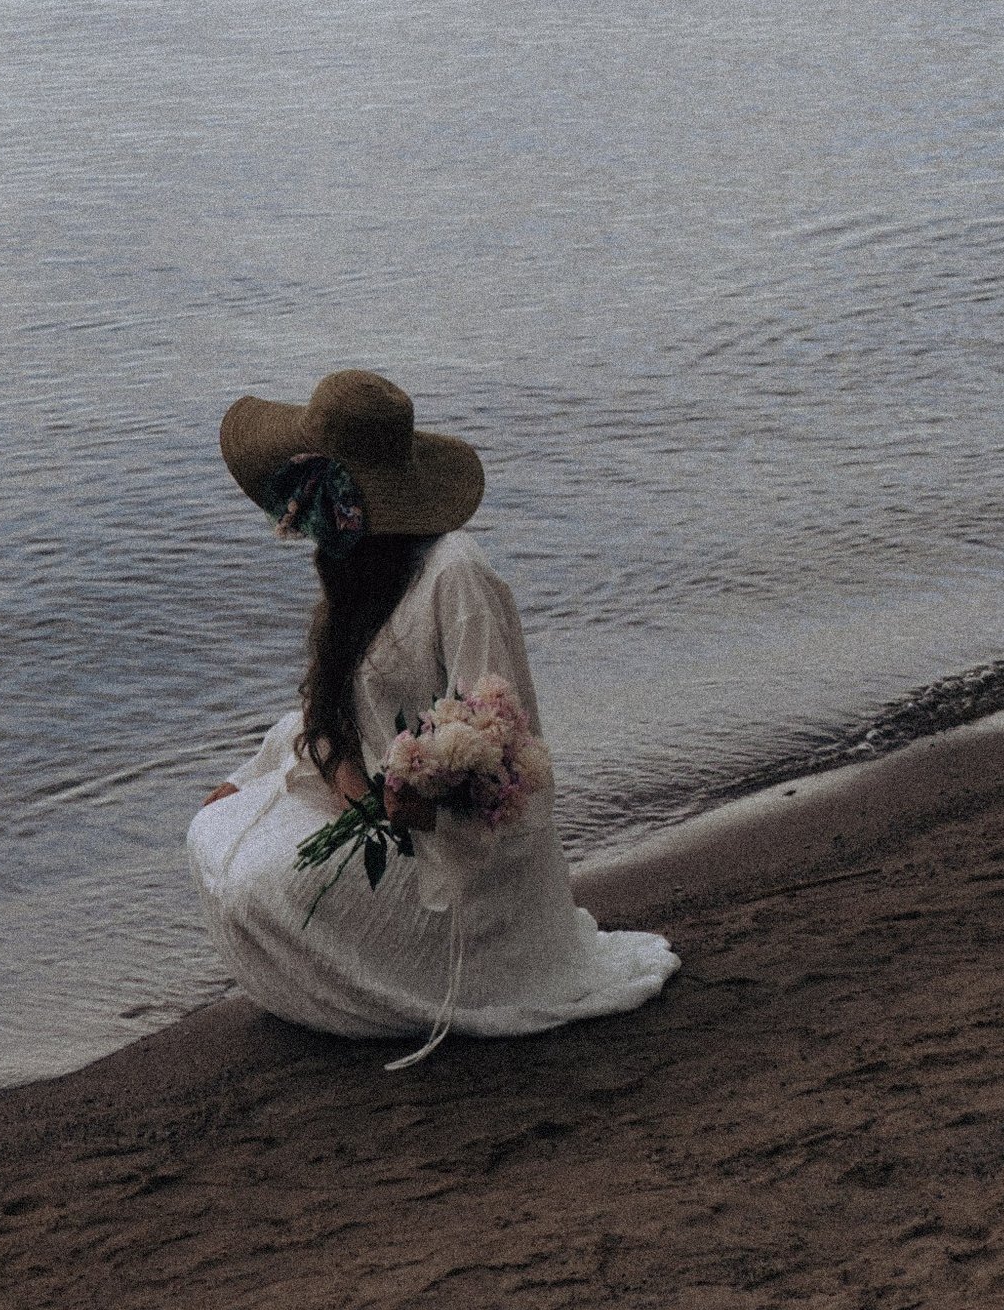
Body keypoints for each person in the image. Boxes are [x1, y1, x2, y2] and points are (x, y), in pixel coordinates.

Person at [186, 367, 678, 1062]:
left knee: (266, 885)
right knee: (213, 830)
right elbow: (329, 712)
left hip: (458, 855)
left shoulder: (456, 574)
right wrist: (256, 771)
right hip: (369, 800)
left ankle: (406, 977)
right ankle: (331, 977)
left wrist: (413, 807)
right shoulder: (359, 572)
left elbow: (500, 743)